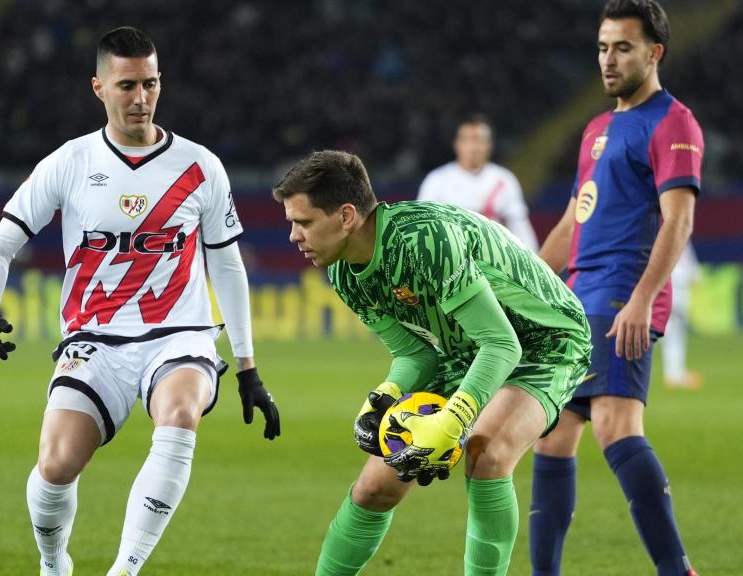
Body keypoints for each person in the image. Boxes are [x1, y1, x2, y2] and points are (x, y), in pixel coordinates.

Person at [0, 26, 280, 576]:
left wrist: (248, 366)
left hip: (180, 335)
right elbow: (0, 244)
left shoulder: (200, 166)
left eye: (150, 84)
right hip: (96, 338)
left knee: (179, 414)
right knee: (56, 464)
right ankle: (53, 563)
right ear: (99, 88)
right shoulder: (70, 162)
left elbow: (228, 266)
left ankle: (126, 569)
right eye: (127, 85)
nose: (141, 98)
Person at [272, 150, 592, 575]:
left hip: (545, 340)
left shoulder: (425, 240)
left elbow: (502, 344)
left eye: (304, 222)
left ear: (346, 216)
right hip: (462, 350)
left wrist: (456, 417)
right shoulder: (345, 272)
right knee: (373, 489)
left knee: (486, 454)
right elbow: (415, 352)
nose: (293, 235)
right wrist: (385, 395)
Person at [528, 1, 702, 575]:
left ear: (654, 53)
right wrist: (525, 284)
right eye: (603, 48)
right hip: (578, 297)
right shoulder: (597, 129)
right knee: (552, 434)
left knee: (615, 425)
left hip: (623, 291)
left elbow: (679, 219)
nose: (609, 59)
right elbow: (573, 221)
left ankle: (677, 569)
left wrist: (642, 299)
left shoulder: (672, 122)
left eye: (623, 48)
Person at [417, 114, 539, 251]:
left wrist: (533, 258)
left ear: (489, 145)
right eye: (467, 140)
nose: (473, 148)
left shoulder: (504, 180)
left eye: (479, 140)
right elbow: (421, 225)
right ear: (456, 144)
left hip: (493, 256)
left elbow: (519, 225)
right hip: (450, 255)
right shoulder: (437, 180)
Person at [661, 242, 702, 389]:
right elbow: (694, 274)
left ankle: (675, 373)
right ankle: (674, 374)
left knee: (671, 335)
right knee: (674, 336)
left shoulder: (663, 241)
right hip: (676, 293)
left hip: (669, 292)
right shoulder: (681, 240)